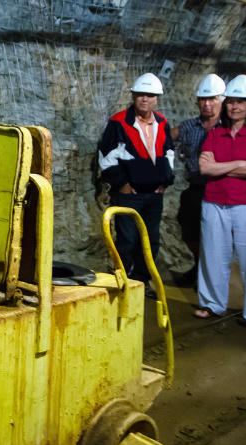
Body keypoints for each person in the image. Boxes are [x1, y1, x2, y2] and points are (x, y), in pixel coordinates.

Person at [194, 75, 246, 338]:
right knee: (213, 256)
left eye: (241, 102)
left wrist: (222, 167)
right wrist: (238, 164)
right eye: (231, 101)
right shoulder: (215, 133)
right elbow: (205, 167)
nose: (235, 107)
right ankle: (211, 304)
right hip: (215, 203)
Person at [98, 73, 175, 299]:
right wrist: (121, 184)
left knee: (151, 239)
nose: (145, 99)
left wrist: (165, 181)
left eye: (150, 95)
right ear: (132, 95)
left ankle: (141, 280)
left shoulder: (162, 122)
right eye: (140, 94)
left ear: (157, 99)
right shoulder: (119, 122)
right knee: (127, 238)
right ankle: (122, 281)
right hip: (129, 194)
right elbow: (106, 157)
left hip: (154, 195)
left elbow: (169, 153)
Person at [171, 74, 226, 286]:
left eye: (212, 99)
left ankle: (213, 277)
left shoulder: (230, 127)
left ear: (222, 100)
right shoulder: (189, 127)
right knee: (190, 230)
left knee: (216, 236)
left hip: (221, 188)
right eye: (203, 99)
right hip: (196, 187)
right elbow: (164, 135)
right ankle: (199, 266)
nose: (207, 103)